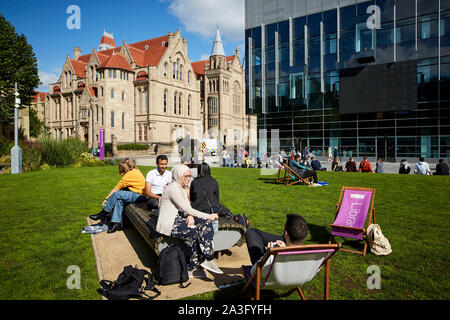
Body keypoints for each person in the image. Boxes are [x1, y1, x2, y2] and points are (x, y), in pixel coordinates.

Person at [157, 164, 223, 277]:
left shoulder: (181, 187)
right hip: (169, 223)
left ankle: (208, 259)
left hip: (177, 219)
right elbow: (187, 208)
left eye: (190, 176)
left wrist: (190, 215)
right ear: (178, 175)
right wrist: (209, 216)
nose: (189, 178)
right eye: (186, 176)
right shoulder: (173, 188)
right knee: (198, 231)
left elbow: (188, 208)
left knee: (205, 224)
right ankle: (194, 267)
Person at [90, 158, 147, 233]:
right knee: (119, 201)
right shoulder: (135, 170)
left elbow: (115, 189)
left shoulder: (128, 176)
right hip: (139, 194)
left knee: (117, 194)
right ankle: (116, 224)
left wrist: (106, 199)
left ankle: (104, 213)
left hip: (140, 196)